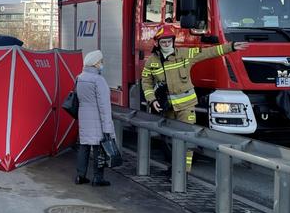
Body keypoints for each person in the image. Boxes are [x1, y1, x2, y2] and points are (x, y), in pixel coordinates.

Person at [141, 24, 248, 171]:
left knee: (187, 138)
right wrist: (152, 99)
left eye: (169, 41)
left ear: (173, 41)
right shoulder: (152, 61)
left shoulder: (185, 54)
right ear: (157, 43)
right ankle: (175, 167)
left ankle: (184, 171)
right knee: (169, 139)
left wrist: (232, 47)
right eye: (163, 42)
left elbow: (209, 52)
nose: (166, 45)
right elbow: (146, 82)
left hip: (186, 107)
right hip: (168, 108)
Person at [75, 50, 116, 187]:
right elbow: (104, 106)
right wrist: (108, 127)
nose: (102, 64)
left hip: (83, 117)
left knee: (84, 147)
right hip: (97, 119)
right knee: (99, 148)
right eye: (101, 61)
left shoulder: (80, 78)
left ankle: (80, 176)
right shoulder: (98, 80)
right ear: (96, 63)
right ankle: (98, 178)